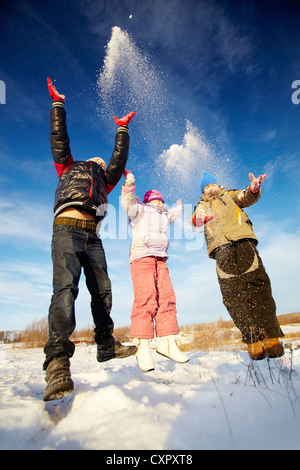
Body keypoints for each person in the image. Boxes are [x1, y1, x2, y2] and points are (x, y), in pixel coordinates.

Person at [43, 78, 137, 401]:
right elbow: (60, 141)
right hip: (67, 229)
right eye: (95, 161)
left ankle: (106, 345)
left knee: (103, 291)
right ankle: (57, 362)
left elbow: (117, 161)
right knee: (66, 290)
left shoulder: (105, 181)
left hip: (93, 238)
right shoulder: (68, 167)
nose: (98, 164)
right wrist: (59, 105)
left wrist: (122, 131)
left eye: (101, 163)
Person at [191, 171, 284, 361]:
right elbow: (195, 219)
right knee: (233, 296)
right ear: (203, 191)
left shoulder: (230, 195)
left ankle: (270, 336)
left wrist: (254, 189)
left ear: (218, 185)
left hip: (243, 243)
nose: (210, 189)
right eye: (206, 187)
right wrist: (198, 220)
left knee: (258, 287)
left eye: (212, 185)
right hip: (220, 250)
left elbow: (246, 197)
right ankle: (252, 339)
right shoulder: (201, 205)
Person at [120, 170, 189, 371]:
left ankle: (167, 342)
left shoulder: (164, 216)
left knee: (167, 297)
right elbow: (128, 202)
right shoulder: (140, 210)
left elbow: (172, 215)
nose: (160, 203)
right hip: (142, 257)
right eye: (156, 200)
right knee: (146, 298)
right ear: (149, 201)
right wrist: (129, 184)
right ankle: (142, 346)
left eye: (161, 200)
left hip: (161, 260)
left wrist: (179, 208)